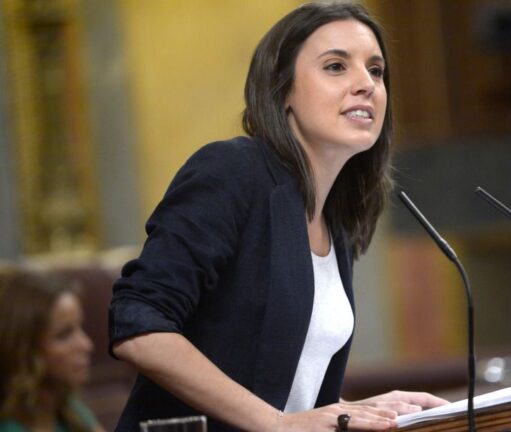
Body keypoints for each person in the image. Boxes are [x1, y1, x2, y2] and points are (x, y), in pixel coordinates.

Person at [108, 3, 448, 431]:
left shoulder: (332, 218)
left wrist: (355, 408)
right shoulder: (232, 171)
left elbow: (282, 395)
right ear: (282, 89)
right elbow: (138, 321)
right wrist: (276, 423)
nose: (366, 84)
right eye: (336, 66)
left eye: (376, 71)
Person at [0, 268, 103, 432]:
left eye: (80, 328)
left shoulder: (67, 407)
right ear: (24, 349)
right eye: (64, 335)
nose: (86, 345)